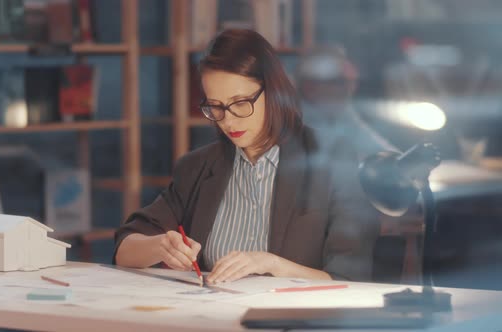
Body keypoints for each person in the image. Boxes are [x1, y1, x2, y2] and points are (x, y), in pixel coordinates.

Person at [114, 29, 379, 283]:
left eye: (241, 103)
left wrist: (272, 264)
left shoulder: (329, 159)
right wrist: (159, 246)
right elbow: (124, 247)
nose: (228, 121)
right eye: (215, 107)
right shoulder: (199, 167)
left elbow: (350, 279)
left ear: (274, 91)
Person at [297, 45, 396, 161]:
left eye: (350, 82)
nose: (348, 90)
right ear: (310, 86)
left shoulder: (342, 111)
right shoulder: (296, 120)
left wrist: (398, 161)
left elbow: (377, 147)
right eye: (339, 82)